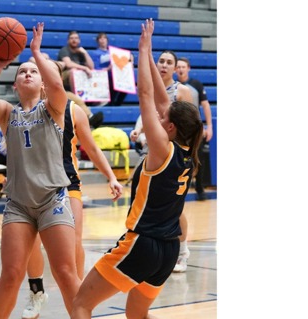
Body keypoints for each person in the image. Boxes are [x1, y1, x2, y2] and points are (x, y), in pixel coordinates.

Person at [70, 19, 204, 319]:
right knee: (137, 314)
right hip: (168, 251)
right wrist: (151, 54)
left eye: (163, 114)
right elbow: (158, 99)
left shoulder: (162, 149)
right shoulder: (186, 153)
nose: (159, 110)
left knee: (81, 303)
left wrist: (143, 51)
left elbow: (146, 96)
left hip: (142, 243)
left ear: (168, 126)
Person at [0, 22, 81, 319]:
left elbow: (58, 86)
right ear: (15, 85)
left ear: (43, 83)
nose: (27, 73)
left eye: (33, 71)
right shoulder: (8, 113)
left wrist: (35, 52)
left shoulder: (54, 108)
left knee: (65, 272)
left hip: (53, 200)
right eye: (22, 71)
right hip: (19, 204)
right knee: (10, 274)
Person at [21, 61, 123, 319]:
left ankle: (77, 298)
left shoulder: (73, 110)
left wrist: (111, 176)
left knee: (74, 241)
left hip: (67, 183)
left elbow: (92, 147)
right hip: (32, 187)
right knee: (30, 243)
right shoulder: (23, 111)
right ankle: (36, 291)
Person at [154, 49, 196, 274]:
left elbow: (191, 125)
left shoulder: (182, 91)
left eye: (169, 62)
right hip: (154, 152)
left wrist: (187, 157)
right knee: (153, 204)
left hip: (176, 154)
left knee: (175, 206)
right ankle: (160, 251)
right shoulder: (151, 89)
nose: (164, 65)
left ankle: (182, 252)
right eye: (161, 60)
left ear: (174, 67)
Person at [176, 57, 213, 201]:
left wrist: (209, 126)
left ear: (188, 68)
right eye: (178, 67)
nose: (180, 69)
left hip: (194, 128)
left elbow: (205, 105)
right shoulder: (174, 86)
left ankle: (200, 188)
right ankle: (178, 188)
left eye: (183, 67)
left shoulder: (196, 85)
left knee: (198, 159)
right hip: (178, 129)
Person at [89, 32, 133, 106]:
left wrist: (130, 60)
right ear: (98, 41)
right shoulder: (95, 53)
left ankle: (118, 104)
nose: (103, 40)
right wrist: (108, 68)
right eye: (100, 38)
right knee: (113, 84)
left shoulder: (113, 51)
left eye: (104, 38)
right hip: (105, 78)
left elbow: (126, 56)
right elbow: (96, 69)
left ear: (107, 40)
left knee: (126, 84)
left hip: (116, 76)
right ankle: (111, 104)